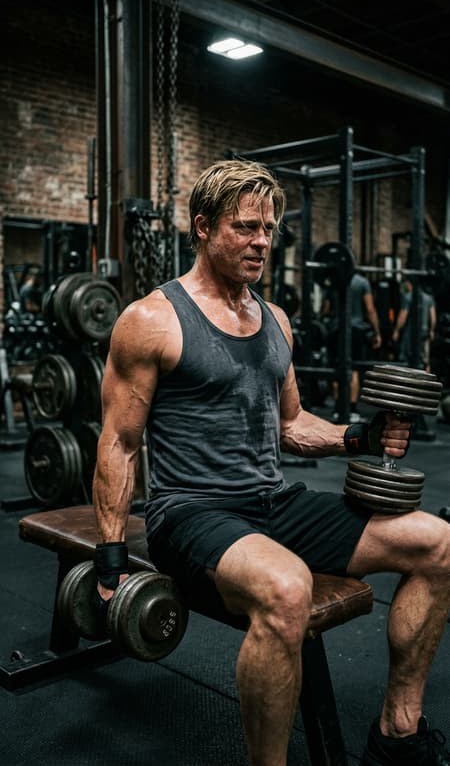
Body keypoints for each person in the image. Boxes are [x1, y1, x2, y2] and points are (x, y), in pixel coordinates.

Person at [93, 160, 449, 766]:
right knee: (287, 588)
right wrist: (109, 563)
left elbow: (290, 425)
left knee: (437, 543)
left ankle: (397, 733)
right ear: (202, 228)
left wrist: (358, 438)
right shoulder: (151, 319)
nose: (262, 240)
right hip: (191, 511)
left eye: (269, 228)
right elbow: (119, 443)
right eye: (245, 227)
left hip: (271, 501)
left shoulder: (274, 319)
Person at [322, 272, 382, 421]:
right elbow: (370, 309)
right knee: (354, 370)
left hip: (336, 329)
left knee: (336, 368)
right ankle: (352, 409)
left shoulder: (333, 281)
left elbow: (326, 309)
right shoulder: (362, 282)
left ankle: (338, 409)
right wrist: (377, 332)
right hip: (356, 330)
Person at [392, 280, 437, 372]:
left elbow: (403, 316)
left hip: (411, 333)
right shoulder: (428, 298)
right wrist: (432, 330)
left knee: (407, 360)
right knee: (425, 360)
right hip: (425, 332)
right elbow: (433, 317)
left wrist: (396, 330)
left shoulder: (408, 297)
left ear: (409, 284)